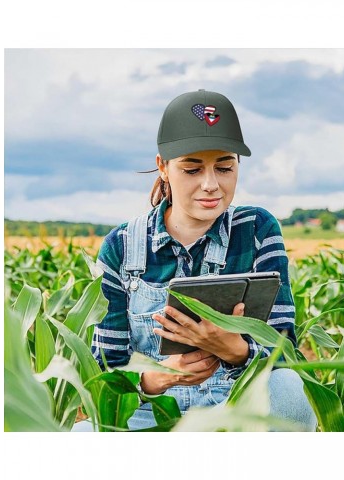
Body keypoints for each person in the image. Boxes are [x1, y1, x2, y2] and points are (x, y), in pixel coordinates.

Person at [79, 89, 316, 431]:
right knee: (82, 434)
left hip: (236, 407)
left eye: (224, 168)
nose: (211, 185)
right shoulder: (122, 245)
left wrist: (237, 351)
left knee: (292, 394)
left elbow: (283, 349)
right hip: (151, 413)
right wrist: (153, 379)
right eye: (192, 169)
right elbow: (103, 368)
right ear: (163, 166)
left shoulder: (257, 229)